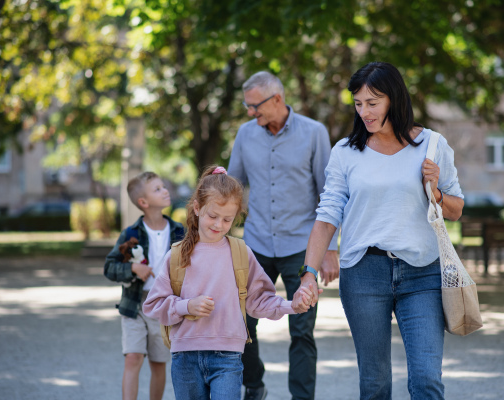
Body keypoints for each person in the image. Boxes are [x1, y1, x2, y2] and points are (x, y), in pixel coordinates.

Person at [296, 62, 465, 399]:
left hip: (422, 273)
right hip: (363, 273)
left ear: (395, 99)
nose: (365, 112)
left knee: (427, 378)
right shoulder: (346, 152)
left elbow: (456, 210)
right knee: (374, 383)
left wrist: (434, 191)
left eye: (373, 103)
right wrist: (308, 273)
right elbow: (327, 215)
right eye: (358, 104)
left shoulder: (432, 145)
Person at [142, 165, 313, 400]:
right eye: (213, 216)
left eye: (227, 219)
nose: (219, 225)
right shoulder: (177, 255)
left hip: (228, 357)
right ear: (197, 208)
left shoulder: (240, 253)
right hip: (185, 357)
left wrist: (291, 306)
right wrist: (186, 306)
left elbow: (258, 300)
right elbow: (153, 305)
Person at [228, 71, 339, 400]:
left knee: (302, 330)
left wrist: (329, 249)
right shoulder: (245, 135)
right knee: (241, 322)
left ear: (277, 99)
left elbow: (329, 193)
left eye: (254, 106)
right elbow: (231, 188)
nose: (250, 113)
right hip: (256, 245)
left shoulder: (314, 133)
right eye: (247, 107)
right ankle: (254, 384)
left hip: (301, 248)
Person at [104, 171, 185, 400]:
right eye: (158, 189)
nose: (165, 190)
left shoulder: (180, 232)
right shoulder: (131, 234)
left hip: (163, 306)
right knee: (133, 357)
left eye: (164, 186)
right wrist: (132, 269)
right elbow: (109, 267)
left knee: (159, 363)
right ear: (143, 202)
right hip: (135, 305)